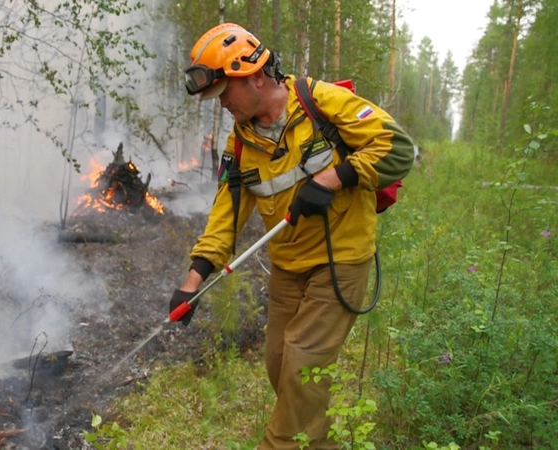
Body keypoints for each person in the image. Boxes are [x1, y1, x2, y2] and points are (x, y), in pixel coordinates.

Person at [169, 23, 415, 449]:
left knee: (302, 367)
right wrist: (192, 282)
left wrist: (335, 178)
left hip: (341, 259)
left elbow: (397, 149)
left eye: (225, 92)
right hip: (288, 269)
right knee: (281, 366)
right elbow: (226, 214)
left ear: (256, 77)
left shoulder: (320, 102)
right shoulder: (241, 141)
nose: (222, 103)